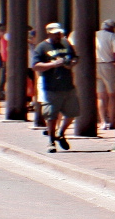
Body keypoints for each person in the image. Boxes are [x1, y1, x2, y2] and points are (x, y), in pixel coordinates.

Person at [31, 22, 79, 153]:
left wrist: (71, 63)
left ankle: (61, 133)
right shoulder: (42, 47)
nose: (58, 36)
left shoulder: (66, 43)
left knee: (72, 113)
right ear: (49, 33)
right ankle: (51, 141)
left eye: (59, 33)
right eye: (55, 33)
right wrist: (53, 64)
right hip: (51, 87)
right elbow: (35, 65)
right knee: (51, 116)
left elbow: (74, 58)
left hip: (68, 85)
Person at [94, 19, 115, 130]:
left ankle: (103, 121)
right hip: (108, 65)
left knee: (100, 95)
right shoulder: (112, 36)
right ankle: (112, 121)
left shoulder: (95, 35)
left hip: (96, 64)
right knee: (112, 94)